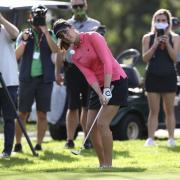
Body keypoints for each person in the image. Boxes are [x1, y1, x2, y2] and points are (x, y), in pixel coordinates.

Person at [53, 19, 128, 168]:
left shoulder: (94, 37)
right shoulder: (74, 55)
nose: (66, 37)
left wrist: (107, 89)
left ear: (72, 27)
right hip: (98, 86)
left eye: (66, 32)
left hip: (116, 80)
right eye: (62, 36)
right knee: (89, 127)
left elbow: (107, 61)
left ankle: (109, 164)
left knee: (102, 123)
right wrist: (100, 93)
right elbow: (89, 75)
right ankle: (102, 164)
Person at [14, 5, 59, 152]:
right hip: (27, 78)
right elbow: (16, 55)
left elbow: (56, 50)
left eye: (42, 17)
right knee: (22, 112)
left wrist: (46, 33)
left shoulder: (50, 33)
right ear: (31, 17)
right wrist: (25, 41)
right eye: (37, 16)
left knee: (42, 113)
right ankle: (18, 143)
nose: (39, 19)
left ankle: (39, 144)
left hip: (44, 79)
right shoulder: (24, 34)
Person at [59, 0, 101, 149]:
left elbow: (100, 47)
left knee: (87, 106)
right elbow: (61, 50)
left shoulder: (95, 24)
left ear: (86, 5)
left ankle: (87, 138)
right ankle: (70, 140)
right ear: (72, 7)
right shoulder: (65, 24)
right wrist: (58, 71)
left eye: (80, 6)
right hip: (72, 68)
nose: (78, 9)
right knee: (72, 105)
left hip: (89, 68)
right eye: (75, 6)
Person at [142, 9, 180, 147]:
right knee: (153, 110)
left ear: (168, 22)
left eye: (163, 20)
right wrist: (155, 44)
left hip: (169, 76)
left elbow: (175, 58)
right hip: (152, 76)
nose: (161, 23)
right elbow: (145, 58)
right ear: (154, 22)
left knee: (169, 110)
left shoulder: (175, 38)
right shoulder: (147, 37)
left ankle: (171, 138)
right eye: (158, 20)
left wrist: (167, 43)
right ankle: (150, 139)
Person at [0, 13, 19, 158]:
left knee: (9, 118)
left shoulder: (4, 29)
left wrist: (0, 18)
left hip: (9, 81)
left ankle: (7, 150)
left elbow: (15, 33)